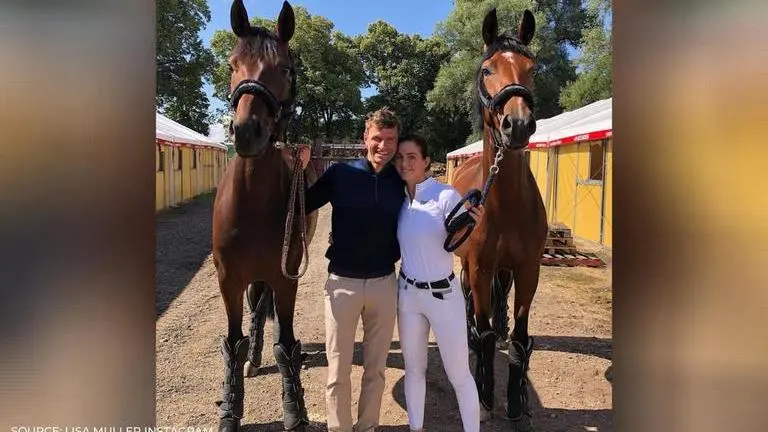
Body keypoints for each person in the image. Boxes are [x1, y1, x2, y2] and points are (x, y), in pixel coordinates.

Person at [297, 108, 405, 432]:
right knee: (338, 370)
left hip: (385, 284)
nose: (383, 146)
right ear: (365, 138)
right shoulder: (340, 174)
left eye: (390, 140)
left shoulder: (402, 182)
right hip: (342, 285)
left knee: (376, 369)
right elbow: (301, 203)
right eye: (377, 138)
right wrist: (300, 171)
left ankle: (368, 426)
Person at [392, 134, 483, 432]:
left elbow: (459, 247)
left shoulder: (445, 196)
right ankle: (415, 428)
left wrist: (471, 226)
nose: (404, 163)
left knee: (458, 375)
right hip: (407, 297)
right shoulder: (398, 200)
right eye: (400, 158)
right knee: (414, 370)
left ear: (426, 161)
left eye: (411, 157)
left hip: (443, 296)